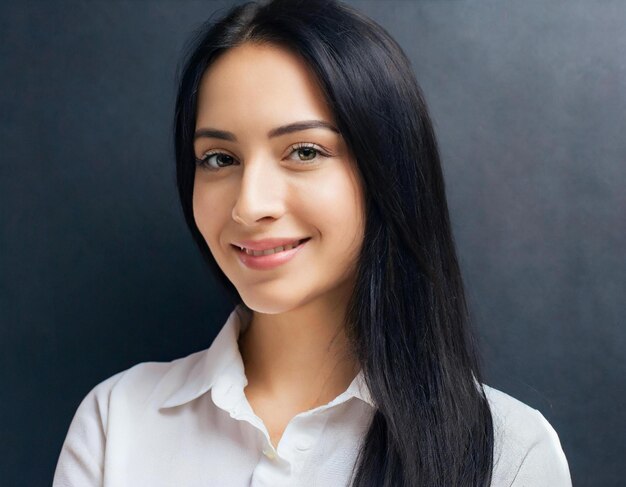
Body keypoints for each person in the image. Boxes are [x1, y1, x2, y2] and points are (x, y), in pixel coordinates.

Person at [52, 0, 572, 485]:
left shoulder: (509, 453)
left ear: (385, 170)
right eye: (218, 158)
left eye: (303, 151)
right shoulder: (116, 421)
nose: (249, 205)